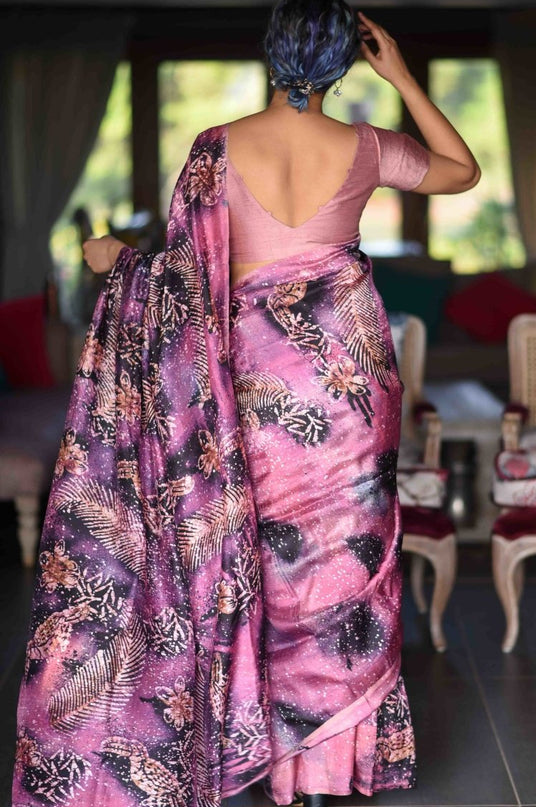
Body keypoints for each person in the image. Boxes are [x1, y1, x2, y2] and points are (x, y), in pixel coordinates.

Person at [11, 3, 479, 807]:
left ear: (270, 54)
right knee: (338, 568)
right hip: (347, 390)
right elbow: (461, 171)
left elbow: (182, 285)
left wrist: (114, 259)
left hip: (249, 390)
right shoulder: (366, 148)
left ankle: (259, 753)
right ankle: (322, 769)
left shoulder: (214, 150)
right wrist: (399, 74)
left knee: (253, 560)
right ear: (345, 63)